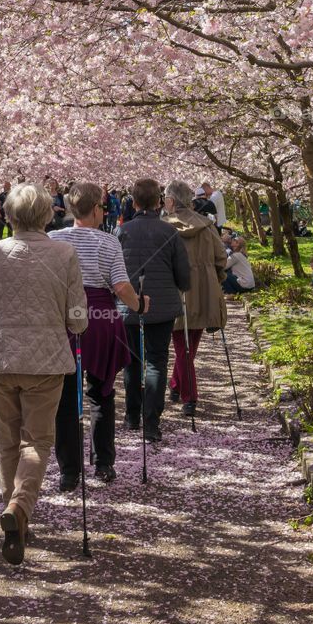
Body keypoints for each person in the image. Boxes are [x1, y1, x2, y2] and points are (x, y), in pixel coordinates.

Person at [0, 183, 86, 564]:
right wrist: (72, 325)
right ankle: (18, 509)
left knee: (7, 442)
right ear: (48, 214)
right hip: (46, 362)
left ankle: (17, 517)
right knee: (38, 441)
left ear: (9, 216)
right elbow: (78, 317)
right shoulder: (64, 253)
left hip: (0, 359)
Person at [49, 182, 148, 486]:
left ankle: (68, 470)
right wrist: (140, 305)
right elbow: (120, 286)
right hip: (100, 319)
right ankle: (103, 463)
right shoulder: (108, 242)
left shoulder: (53, 239)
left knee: (64, 397)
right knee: (101, 392)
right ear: (95, 209)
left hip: (64, 320)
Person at [117, 178, 190, 442]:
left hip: (129, 307)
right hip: (162, 307)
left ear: (134, 202)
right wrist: (181, 285)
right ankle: (151, 423)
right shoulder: (168, 232)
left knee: (132, 363)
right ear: (159, 202)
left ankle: (132, 416)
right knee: (157, 361)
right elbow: (183, 275)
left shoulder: (121, 233)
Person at [163, 181, 227, 415]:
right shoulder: (207, 226)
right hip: (204, 290)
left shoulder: (163, 227)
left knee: (182, 345)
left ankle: (190, 396)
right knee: (188, 345)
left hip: (175, 291)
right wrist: (212, 278)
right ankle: (176, 384)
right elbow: (221, 258)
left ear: (171, 201)